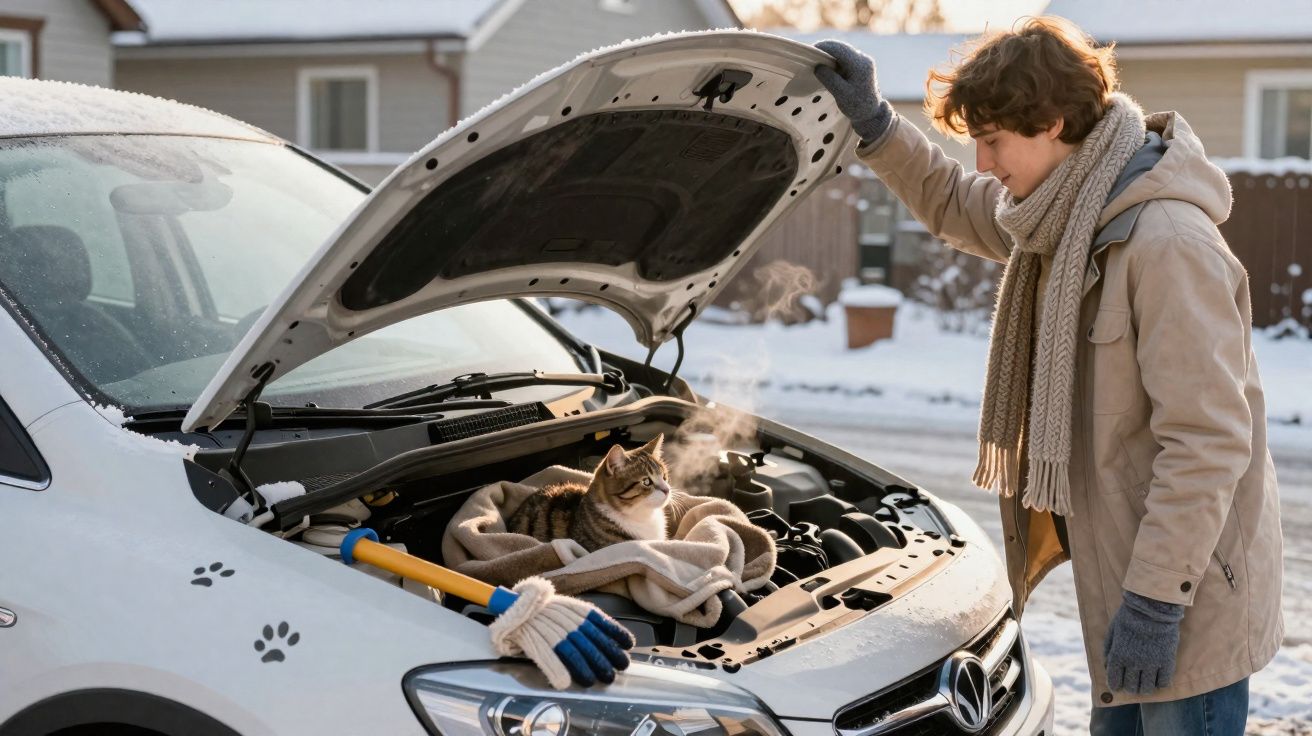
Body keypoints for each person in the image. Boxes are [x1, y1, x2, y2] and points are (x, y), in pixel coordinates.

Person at [812, 16, 1283, 736]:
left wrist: (1157, 604)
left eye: (994, 140)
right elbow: (956, 202)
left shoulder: (1167, 243)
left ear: (1055, 123)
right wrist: (877, 126)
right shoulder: (1065, 216)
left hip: (1180, 603)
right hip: (1124, 591)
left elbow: (1209, 443)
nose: (983, 160)